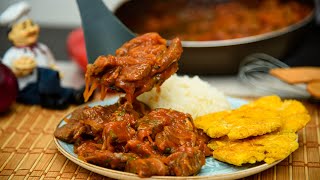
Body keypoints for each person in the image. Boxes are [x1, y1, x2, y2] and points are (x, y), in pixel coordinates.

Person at [1, 1, 87, 109]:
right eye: (24, 27)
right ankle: (55, 101)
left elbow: (51, 63)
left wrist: (56, 71)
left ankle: (76, 95)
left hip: (47, 84)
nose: (30, 30)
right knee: (46, 89)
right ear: (11, 35)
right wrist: (18, 70)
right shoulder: (11, 55)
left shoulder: (42, 48)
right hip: (26, 88)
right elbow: (5, 75)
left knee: (60, 88)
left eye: (32, 25)